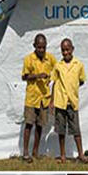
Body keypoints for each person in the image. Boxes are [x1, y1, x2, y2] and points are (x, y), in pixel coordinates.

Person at [21, 33, 57, 162]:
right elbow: (24, 77)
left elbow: (57, 70)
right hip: (32, 98)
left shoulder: (50, 58)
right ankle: (25, 153)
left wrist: (52, 78)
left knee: (40, 125)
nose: (41, 50)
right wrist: (37, 76)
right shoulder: (28, 59)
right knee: (29, 124)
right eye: (39, 47)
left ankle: (35, 151)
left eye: (43, 47)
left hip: (44, 98)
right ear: (34, 46)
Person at [52, 38, 87, 163]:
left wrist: (72, 89)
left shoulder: (79, 65)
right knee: (61, 130)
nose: (65, 52)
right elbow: (55, 82)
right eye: (63, 50)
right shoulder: (58, 65)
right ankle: (62, 155)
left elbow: (81, 81)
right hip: (60, 102)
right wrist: (52, 101)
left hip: (72, 102)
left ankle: (81, 154)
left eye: (67, 49)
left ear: (72, 49)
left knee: (76, 130)